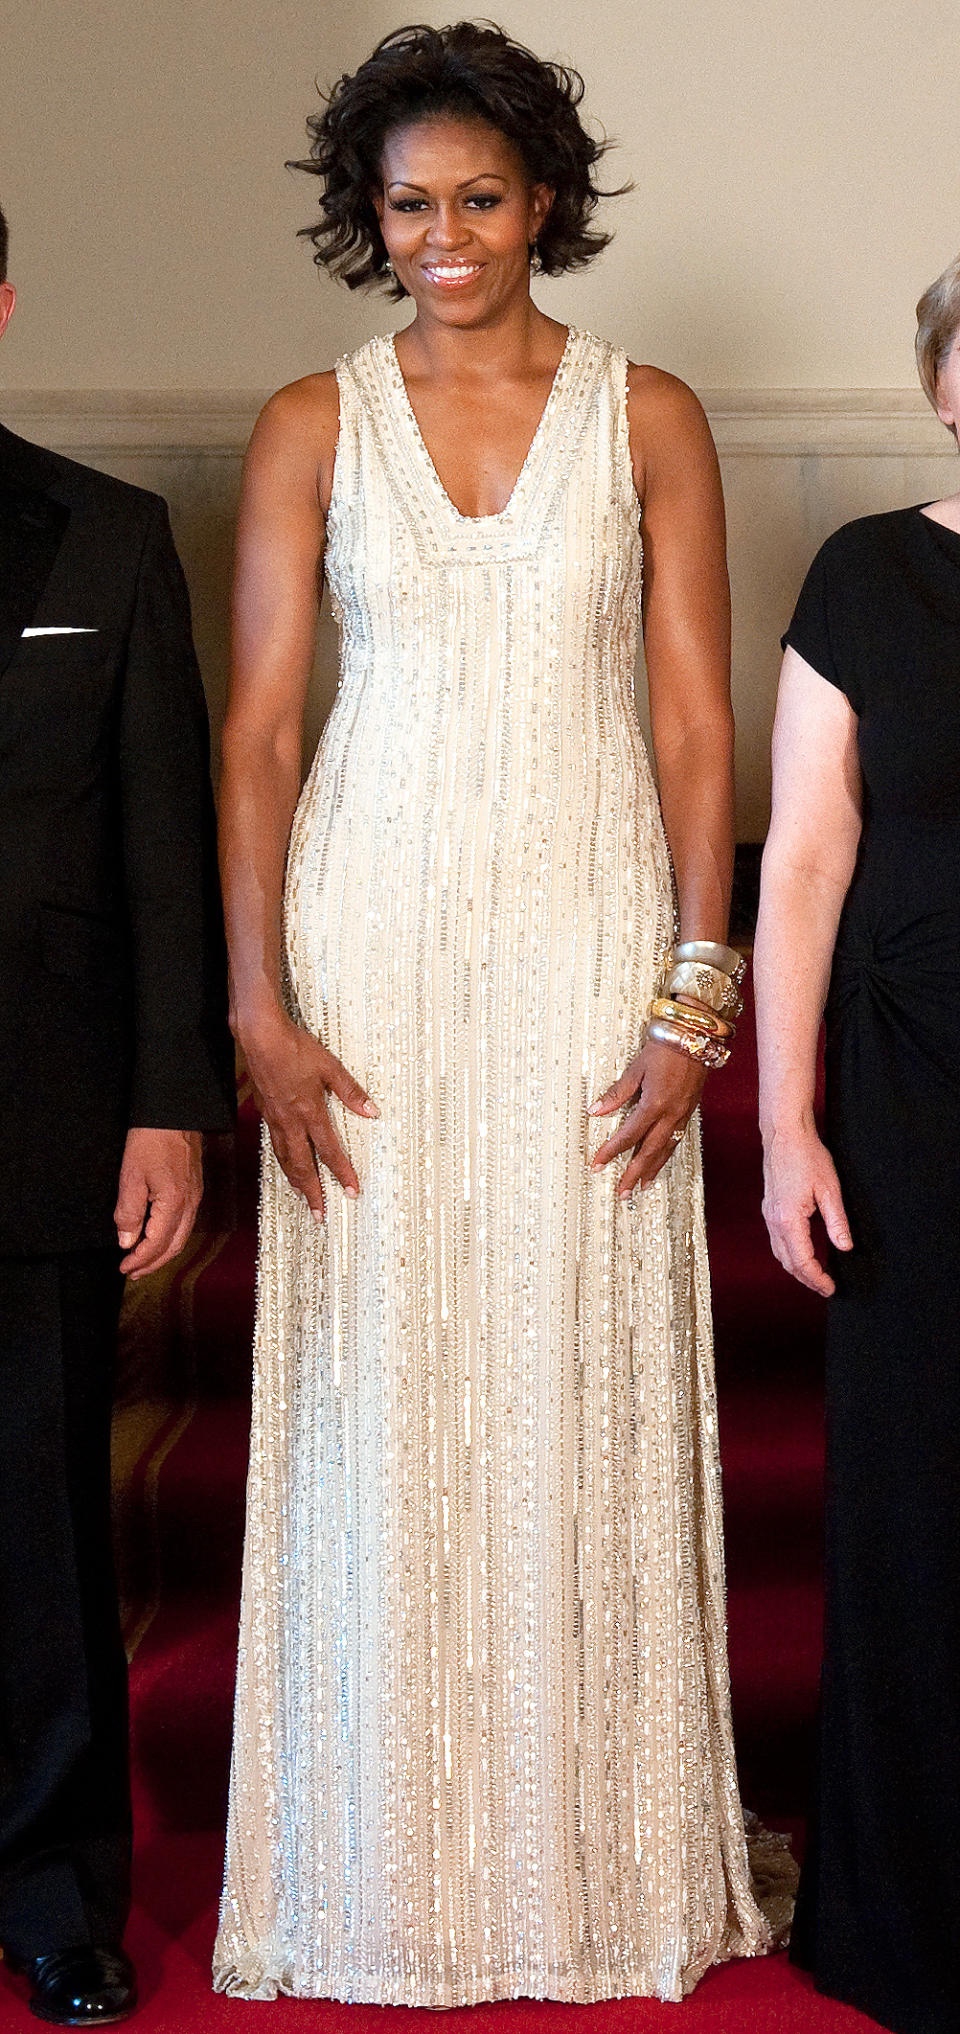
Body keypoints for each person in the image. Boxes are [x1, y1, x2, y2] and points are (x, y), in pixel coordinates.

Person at [214, 22, 793, 2006]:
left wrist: (695, 990)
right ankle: (376, 1867)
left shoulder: (652, 416)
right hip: (362, 950)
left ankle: (594, 1866)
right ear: (364, 223)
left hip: (582, 941)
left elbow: (703, 722)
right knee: (383, 1398)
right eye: (410, 205)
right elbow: (263, 737)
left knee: (572, 1381)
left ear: (543, 198)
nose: (447, 236)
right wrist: (255, 1008)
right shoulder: (311, 418)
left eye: (479, 197)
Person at [0, 205, 236, 2026]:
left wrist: (169, 1103)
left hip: (44, 1110)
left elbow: (168, 847)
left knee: (39, 1527)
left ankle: (54, 1893)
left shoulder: (110, 533)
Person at [754, 253, 960, 2034]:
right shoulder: (866, 572)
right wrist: (780, 1123)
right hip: (913, 1088)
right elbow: (805, 858)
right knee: (919, 1504)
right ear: (939, 382)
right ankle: (912, 1920)